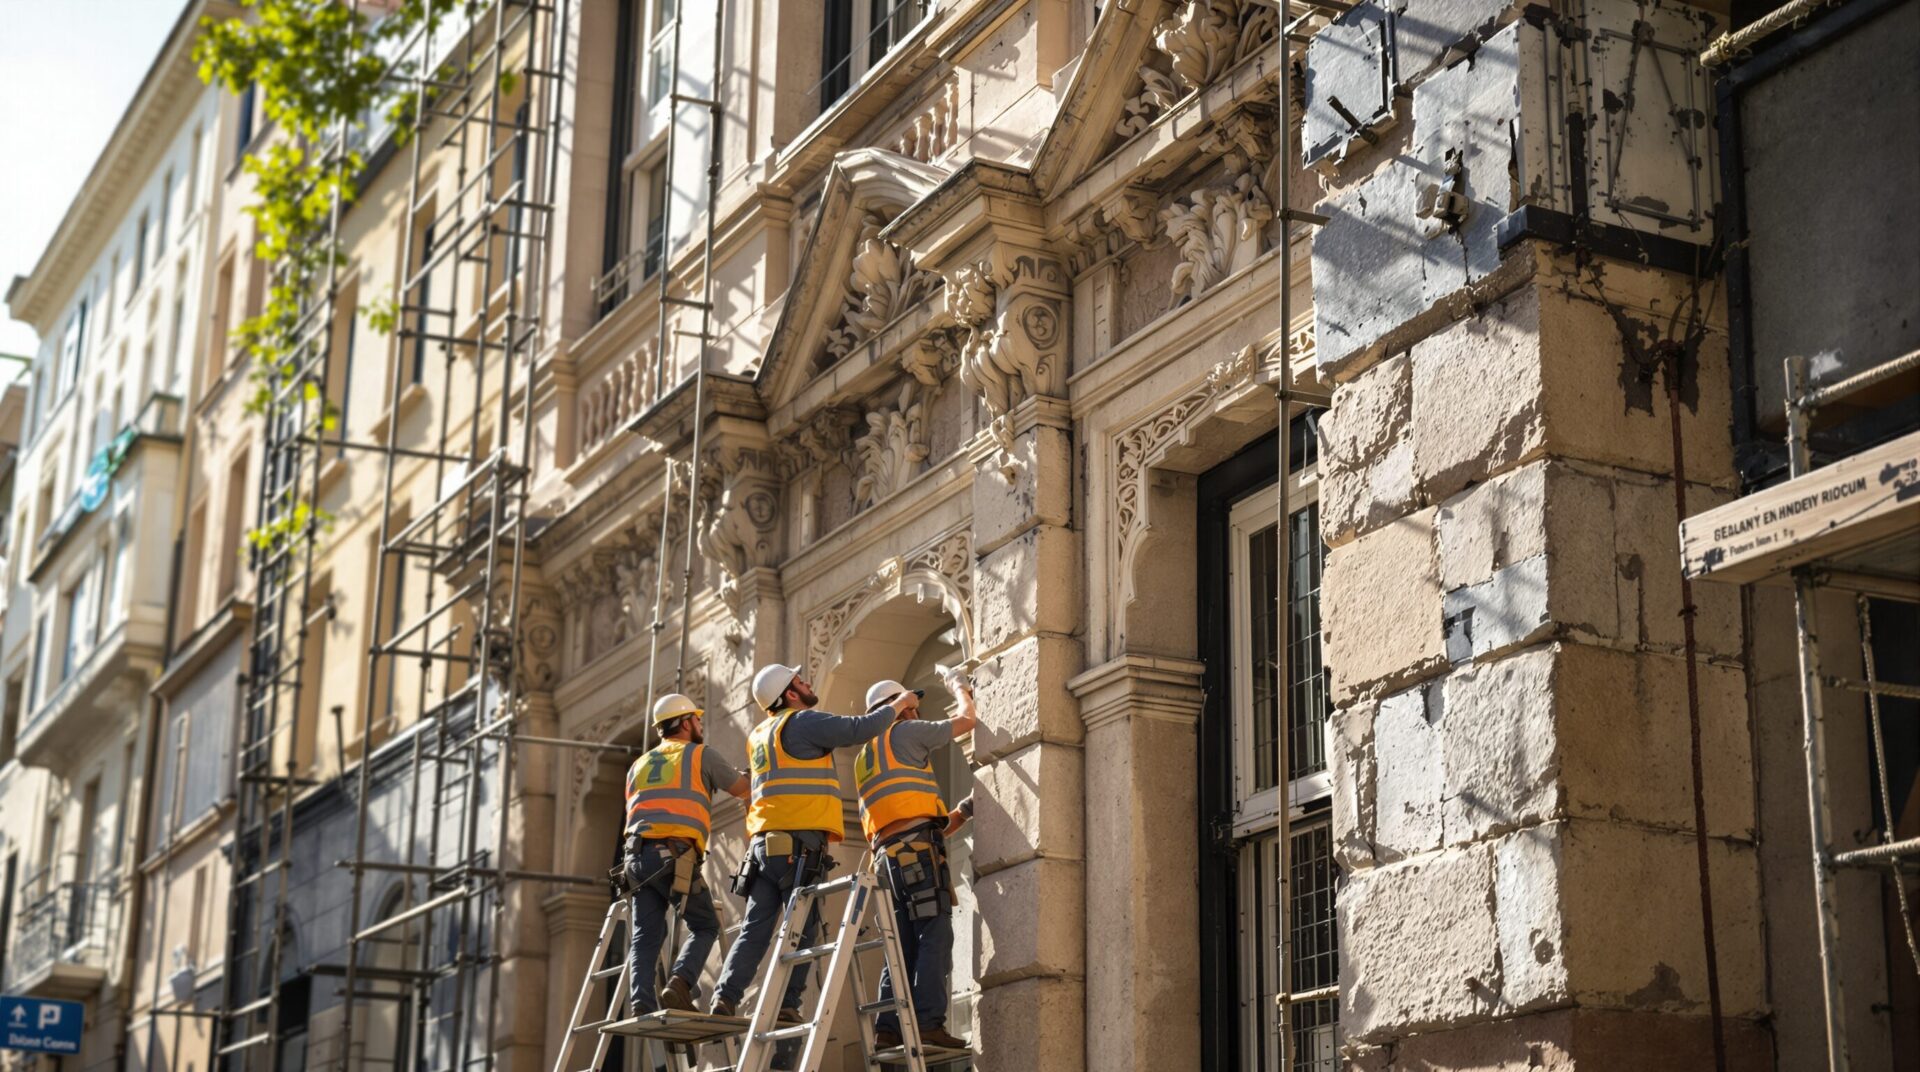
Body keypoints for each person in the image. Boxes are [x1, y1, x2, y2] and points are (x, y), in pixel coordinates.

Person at [710, 663, 902, 1021]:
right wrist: (899, 704)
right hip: (798, 847)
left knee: (755, 929)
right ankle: (787, 1005)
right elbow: (862, 728)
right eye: (799, 680)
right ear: (790, 694)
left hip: (763, 849)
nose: (807, 681)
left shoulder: (759, 735)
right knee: (804, 927)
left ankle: (725, 996)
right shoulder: (802, 722)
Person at [854, 677, 977, 1051]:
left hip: (888, 860)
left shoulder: (866, 756)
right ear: (901, 705)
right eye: (913, 704)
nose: (917, 710)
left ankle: (887, 1028)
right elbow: (967, 721)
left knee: (902, 945)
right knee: (935, 933)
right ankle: (928, 1023)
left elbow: (908, 821)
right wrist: (961, 688)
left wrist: (963, 812)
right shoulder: (905, 731)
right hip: (916, 854)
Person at [622, 692, 748, 1017]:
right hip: (672, 857)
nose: (700, 723)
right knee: (705, 924)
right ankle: (680, 982)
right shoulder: (699, 755)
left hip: (634, 859)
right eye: (697, 718)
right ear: (685, 722)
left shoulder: (638, 765)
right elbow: (741, 789)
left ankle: (641, 1002)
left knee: (646, 935)